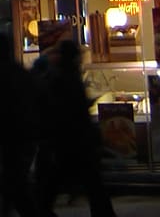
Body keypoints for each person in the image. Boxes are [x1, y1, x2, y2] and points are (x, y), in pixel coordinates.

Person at [33, 40, 115, 217]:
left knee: (52, 190)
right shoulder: (70, 78)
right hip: (76, 142)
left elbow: (57, 111)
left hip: (68, 143)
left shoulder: (59, 78)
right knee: (93, 186)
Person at [0, 32, 39, 216]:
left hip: (10, 138)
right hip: (25, 137)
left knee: (13, 185)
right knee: (15, 186)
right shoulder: (21, 72)